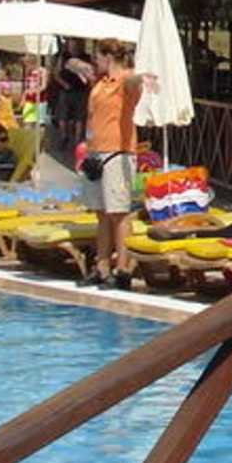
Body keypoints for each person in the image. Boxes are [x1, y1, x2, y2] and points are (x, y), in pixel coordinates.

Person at [82, 39, 143, 289]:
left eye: (97, 57)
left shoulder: (124, 81)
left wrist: (138, 74)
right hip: (96, 152)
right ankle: (102, 264)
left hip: (117, 152)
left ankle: (122, 268)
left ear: (108, 57)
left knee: (118, 212)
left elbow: (134, 82)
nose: (95, 61)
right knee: (101, 212)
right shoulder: (101, 83)